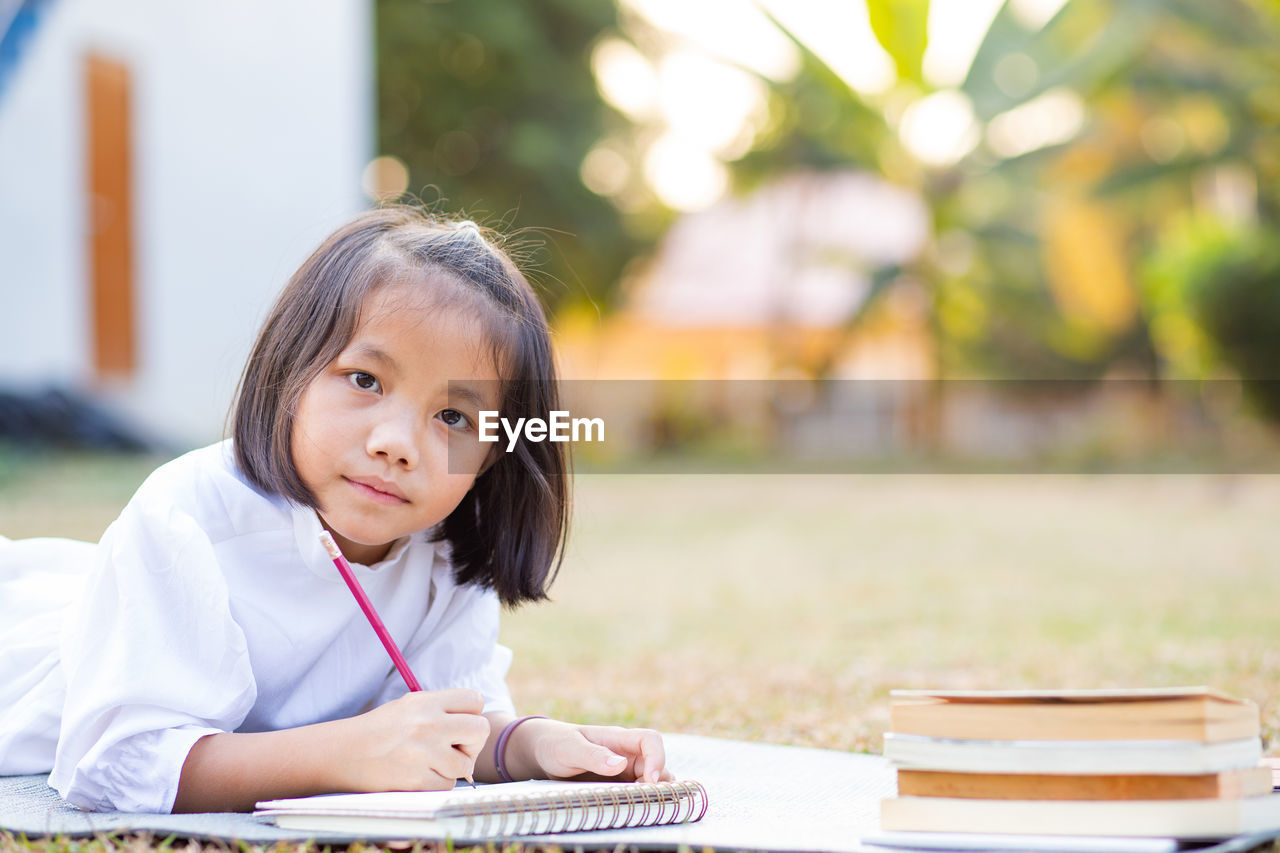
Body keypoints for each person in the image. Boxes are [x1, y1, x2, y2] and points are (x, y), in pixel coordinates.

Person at [0, 206, 669, 813]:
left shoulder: (444, 555)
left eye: (453, 416)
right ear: (291, 369)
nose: (395, 444)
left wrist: (533, 743)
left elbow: (443, 728)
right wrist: (346, 753)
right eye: (365, 380)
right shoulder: (188, 520)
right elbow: (115, 762)